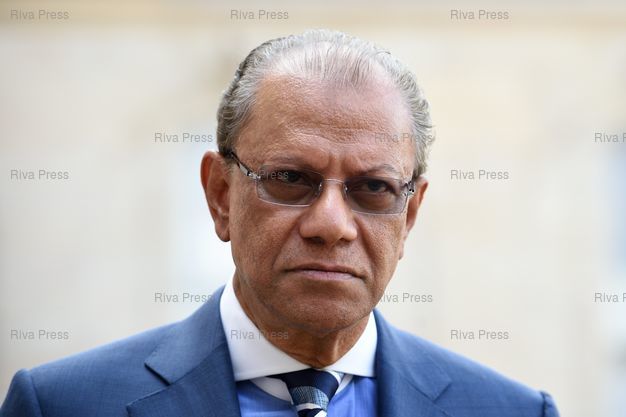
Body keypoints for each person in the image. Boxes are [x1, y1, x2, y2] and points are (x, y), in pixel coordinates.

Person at [1, 29, 559, 417]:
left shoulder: (511, 412)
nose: (332, 225)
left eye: (373, 189)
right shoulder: (63, 406)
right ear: (221, 196)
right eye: (290, 179)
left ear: (409, 216)